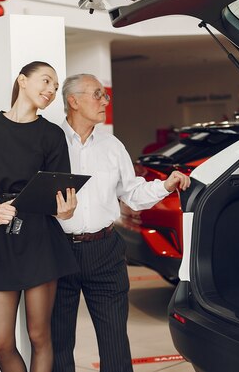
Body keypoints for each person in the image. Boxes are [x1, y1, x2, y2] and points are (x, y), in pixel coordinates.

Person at [52, 74, 191, 372]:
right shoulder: (49, 142)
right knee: (57, 342)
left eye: (105, 95)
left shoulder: (112, 145)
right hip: (57, 251)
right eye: (97, 95)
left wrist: (164, 186)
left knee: (115, 339)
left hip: (105, 249)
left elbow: (132, 193)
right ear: (73, 101)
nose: (105, 101)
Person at [0, 61, 79, 372]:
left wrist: (66, 210)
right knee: (0, 342)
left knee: (39, 336)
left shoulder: (52, 135)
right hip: (2, 238)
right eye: (46, 80)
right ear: (22, 81)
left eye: (55, 86)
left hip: (40, 238)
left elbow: (61, 198)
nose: (52, 90)